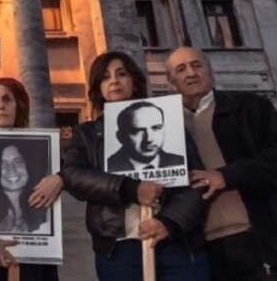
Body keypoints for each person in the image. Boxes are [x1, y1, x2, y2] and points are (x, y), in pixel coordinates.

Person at [166, 47, 277, 281]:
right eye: (181, 69)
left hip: (262, 240)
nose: (191, 73)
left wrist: (226, 175)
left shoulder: (250, 107)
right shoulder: (165, 127)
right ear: (171, 81)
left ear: (209, 70)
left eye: (197, 65)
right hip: (206, 253)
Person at [61, 51, 210, 281]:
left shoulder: (171, 122)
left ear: (134, 81)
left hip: (177, 244)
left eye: (122, 74)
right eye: (105, 77)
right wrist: (129, 188)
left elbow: (196, 183)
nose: (114, 81)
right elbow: (74, 176)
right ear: (98, 87)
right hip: (119, 249)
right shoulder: (87, 134)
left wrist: (168, 222)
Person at [0, 78, 63, 281]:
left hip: (36, 261)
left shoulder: (40, 150)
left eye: (7, 99)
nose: (0, 105)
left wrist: (60, 178)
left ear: (18, 107)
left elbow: (72, 171)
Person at [0, 139, 49, 234]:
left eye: (18, 162)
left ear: (28, 164)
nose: (11, 170)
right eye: (3, 164)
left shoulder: (46, 207)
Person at [107, 101, 185, 172]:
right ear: (120, 137)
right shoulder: (108, 168)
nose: (149, 139)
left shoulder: (181, 162)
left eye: (156, 128)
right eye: (137, 131)